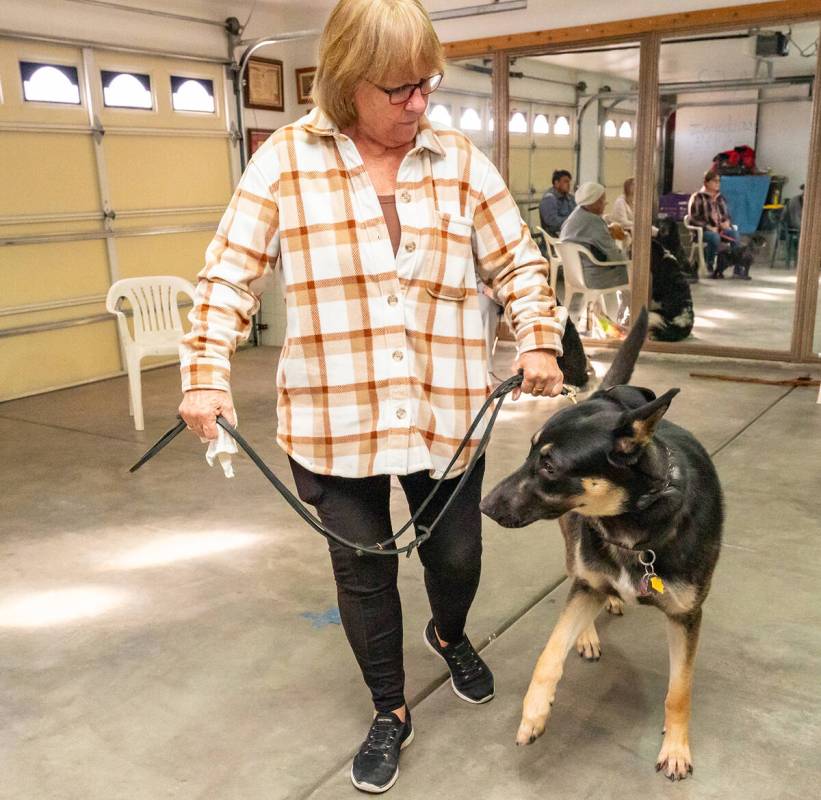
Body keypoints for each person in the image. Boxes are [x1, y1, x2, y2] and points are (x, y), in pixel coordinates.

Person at [178, 0, 567, 794]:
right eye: (399, 90)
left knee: (455, 556)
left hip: (445, 409)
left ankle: (447, 631)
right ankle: (389, 710)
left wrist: (536, 335)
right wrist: (205, 374)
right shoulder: (285, 160)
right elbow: (228, 275)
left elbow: (518, 266)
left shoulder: (458, 159)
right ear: (347, 82)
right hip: (334, 413)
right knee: (361, 575)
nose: (418, 104)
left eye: (426, 85)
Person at [687, 169, 740, 278]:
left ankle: (738, 266)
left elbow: (727, 215)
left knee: (735, 234)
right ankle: (710, 265)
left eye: (719, 181)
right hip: (704, 231)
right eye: (715, 181)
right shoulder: (698, 197)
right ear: (706, 182)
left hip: (721, 230)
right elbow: (693, 218)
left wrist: (727, 222)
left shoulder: (721, 198)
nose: (718, 183)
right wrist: (708, 226)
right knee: (714, 237)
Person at [539, 169, 576, 236]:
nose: (568, 184)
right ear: (556, 183)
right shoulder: (549, 199)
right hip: (556, 236)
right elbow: (552, 221)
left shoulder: (570, 197)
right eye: (565, 182)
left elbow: (576, 213)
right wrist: (572, 221)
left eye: (569, 182)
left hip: (570, 232)